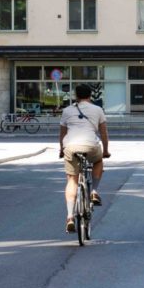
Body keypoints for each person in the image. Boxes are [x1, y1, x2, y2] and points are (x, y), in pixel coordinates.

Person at [58, 84, 110, 233]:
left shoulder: (67, 111)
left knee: (72, 180)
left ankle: (69, 216)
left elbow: (62, 133)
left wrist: (62, 150)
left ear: (76, 95)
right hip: (91, 145)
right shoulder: (98, 110)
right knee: (98, 161)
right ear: (90, 95)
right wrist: (105, 150)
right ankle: (94, 191)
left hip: (71, 147)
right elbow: (104, 133)